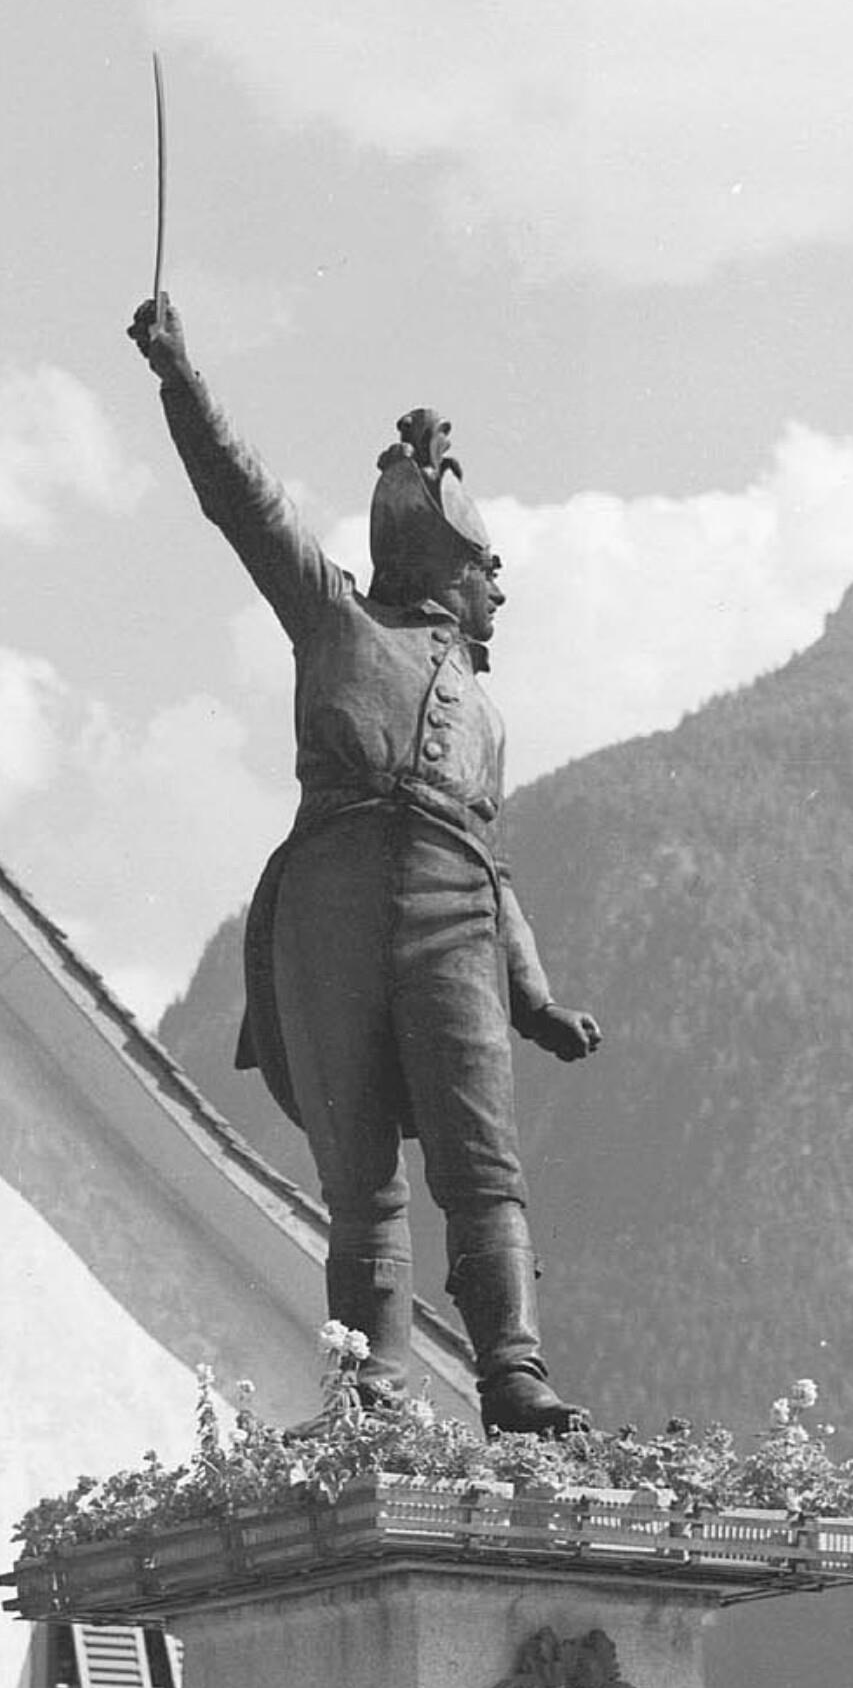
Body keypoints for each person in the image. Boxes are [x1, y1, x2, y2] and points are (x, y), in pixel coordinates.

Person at [126, 292, 602, 1435]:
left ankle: (512, 1370)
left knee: (480, 1152)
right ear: (451, 568)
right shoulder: (335, 619)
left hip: (452, 909)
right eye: (492, 570)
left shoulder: (487, 715)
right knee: (360, 1175)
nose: (502, 591)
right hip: (331, 906)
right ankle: (374, 1386)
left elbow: (492, 862)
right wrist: (182, 379)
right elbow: (242, 499)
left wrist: (533, 993)